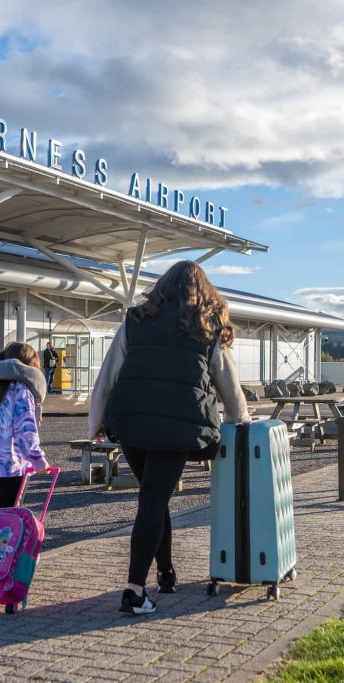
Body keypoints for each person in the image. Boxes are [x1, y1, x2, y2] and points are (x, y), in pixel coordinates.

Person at [89, 260, 251, 615]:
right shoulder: (206, 325)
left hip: (130, 424)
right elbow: (229, 384)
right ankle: (134, 591)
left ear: (162, 287)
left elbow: (108, 375)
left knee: (154, 498)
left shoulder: (135, 320)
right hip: (178, 427)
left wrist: (96, 423)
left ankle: (165, 573)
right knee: (152, 499)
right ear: (202, 290)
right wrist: (242, 423)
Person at [0, 342, 51, 509]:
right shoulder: (20, 389)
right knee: (8, 509)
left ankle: (4, 534)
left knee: (5, 505)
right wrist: (37, 459)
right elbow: (25, 429)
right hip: (12, 462)